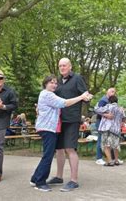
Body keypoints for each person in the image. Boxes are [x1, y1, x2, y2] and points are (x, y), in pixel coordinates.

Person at [30, 75, 91, 192]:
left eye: (55, 83)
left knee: (48, 154)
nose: (54, 85)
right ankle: (40, 182)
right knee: (47, 156)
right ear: (45, 84)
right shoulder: (47, 95)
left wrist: (86, 97)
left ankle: (35, 178)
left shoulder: (49, 94)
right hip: (48, 128)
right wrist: (82, 96)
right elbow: (65, 103)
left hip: (50, 128)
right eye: (51, 83)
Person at [47, 58, 89, 192]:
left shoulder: (77, 78)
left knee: (70, 149)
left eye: (64, 65)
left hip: (72, 119)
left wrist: (87, 97)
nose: (62, 67)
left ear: (70, 66)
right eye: (60, 66)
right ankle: (59, 177)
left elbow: (85, 95)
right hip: (58, 120)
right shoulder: (57, 81)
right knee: (59, 149)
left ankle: (74, 180)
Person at [94, 95, 126, 166]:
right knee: (115, 145)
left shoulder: (108, 106)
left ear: (109, 101)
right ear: (117, 101)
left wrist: (104, 114)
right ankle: (116, 160)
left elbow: (96, 109)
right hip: (116, 129)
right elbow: (124, 118)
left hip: (107, 128)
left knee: (105, 145)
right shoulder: (120, 109)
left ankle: (110, 161)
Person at [94, 88, 118, 165]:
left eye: (114, 92)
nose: (113, 93)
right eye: (112, 91)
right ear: (107, 92)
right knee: (101, 139)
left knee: (110, 141)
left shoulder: (112, 102)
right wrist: (106, 115)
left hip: (108, 124)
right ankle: (99, 158)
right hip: (100, 122)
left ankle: (112, 159)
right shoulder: (103, 100)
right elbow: (97, 110)